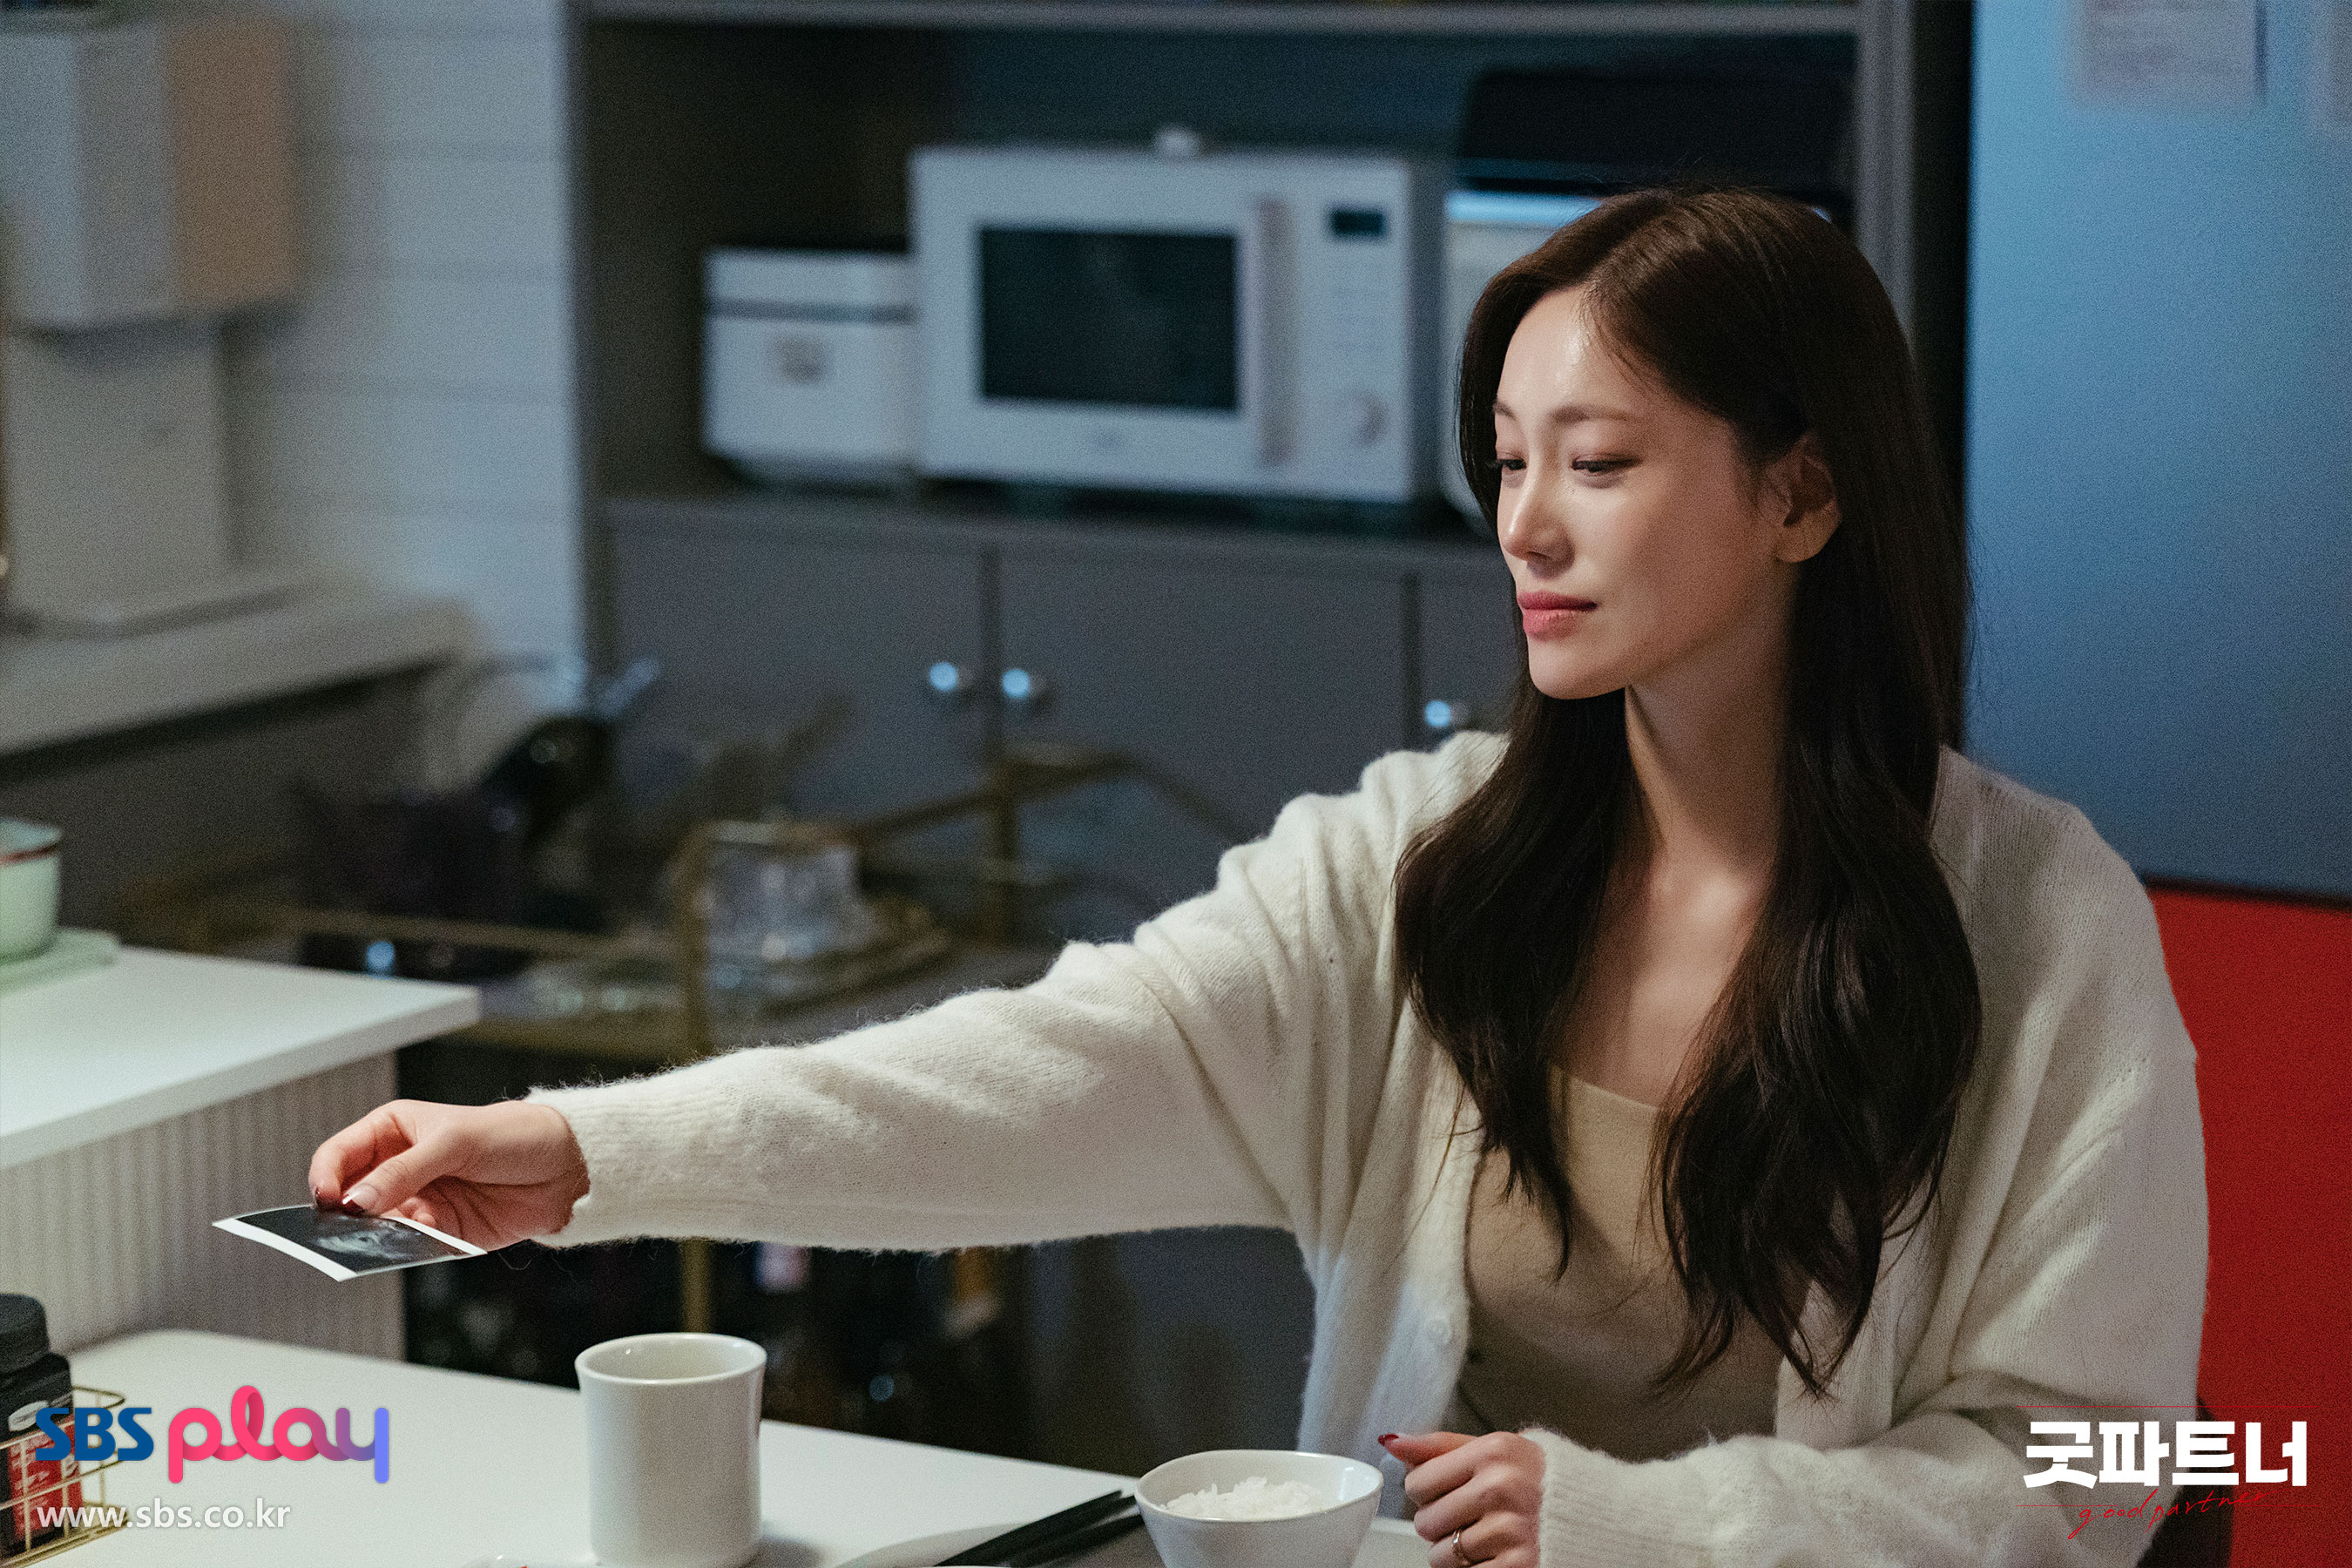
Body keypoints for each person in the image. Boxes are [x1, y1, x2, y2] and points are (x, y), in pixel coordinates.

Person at [310, 189, 2205, 1568]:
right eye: (1506, 463)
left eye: (1602, 462)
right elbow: (1045, 1071)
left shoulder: (2043, 930)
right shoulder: (1423, 865)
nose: (1527, 529)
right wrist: (586, 1152)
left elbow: (2125, 1471)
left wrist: (1646, 1529)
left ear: (1802, 494)